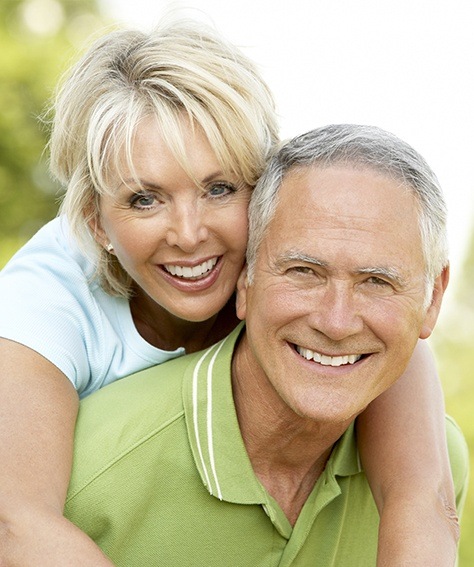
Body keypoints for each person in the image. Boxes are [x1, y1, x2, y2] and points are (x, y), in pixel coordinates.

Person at [0, 18, 458, 565]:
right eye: (145, 199)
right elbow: (15, 522)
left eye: (219, 189)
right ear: (95, 222)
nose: (189, 234)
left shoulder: (291, 272)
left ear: (266, 188)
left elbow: (420, 487)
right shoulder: (41, 306)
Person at [63, 124, 469, 566]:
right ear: (245, 279)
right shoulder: (86, 474)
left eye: (377, 281)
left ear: (432, 298)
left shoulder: (437, 462)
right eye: (303, 272)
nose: (336, 322)